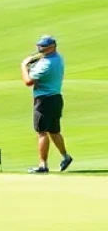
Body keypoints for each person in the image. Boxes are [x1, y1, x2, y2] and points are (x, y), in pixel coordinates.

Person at [22, 36, 72, 174]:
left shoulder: (46, 64)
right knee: (54, 131)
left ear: (52, 47)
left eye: (43, 47)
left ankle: (43, 165)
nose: (40, 49)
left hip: (44, 100)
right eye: (39, 46)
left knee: (42, 132)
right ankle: (65, 157)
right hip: (56, 98)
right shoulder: (57, 58)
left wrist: (24, 66)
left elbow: (28, 82)